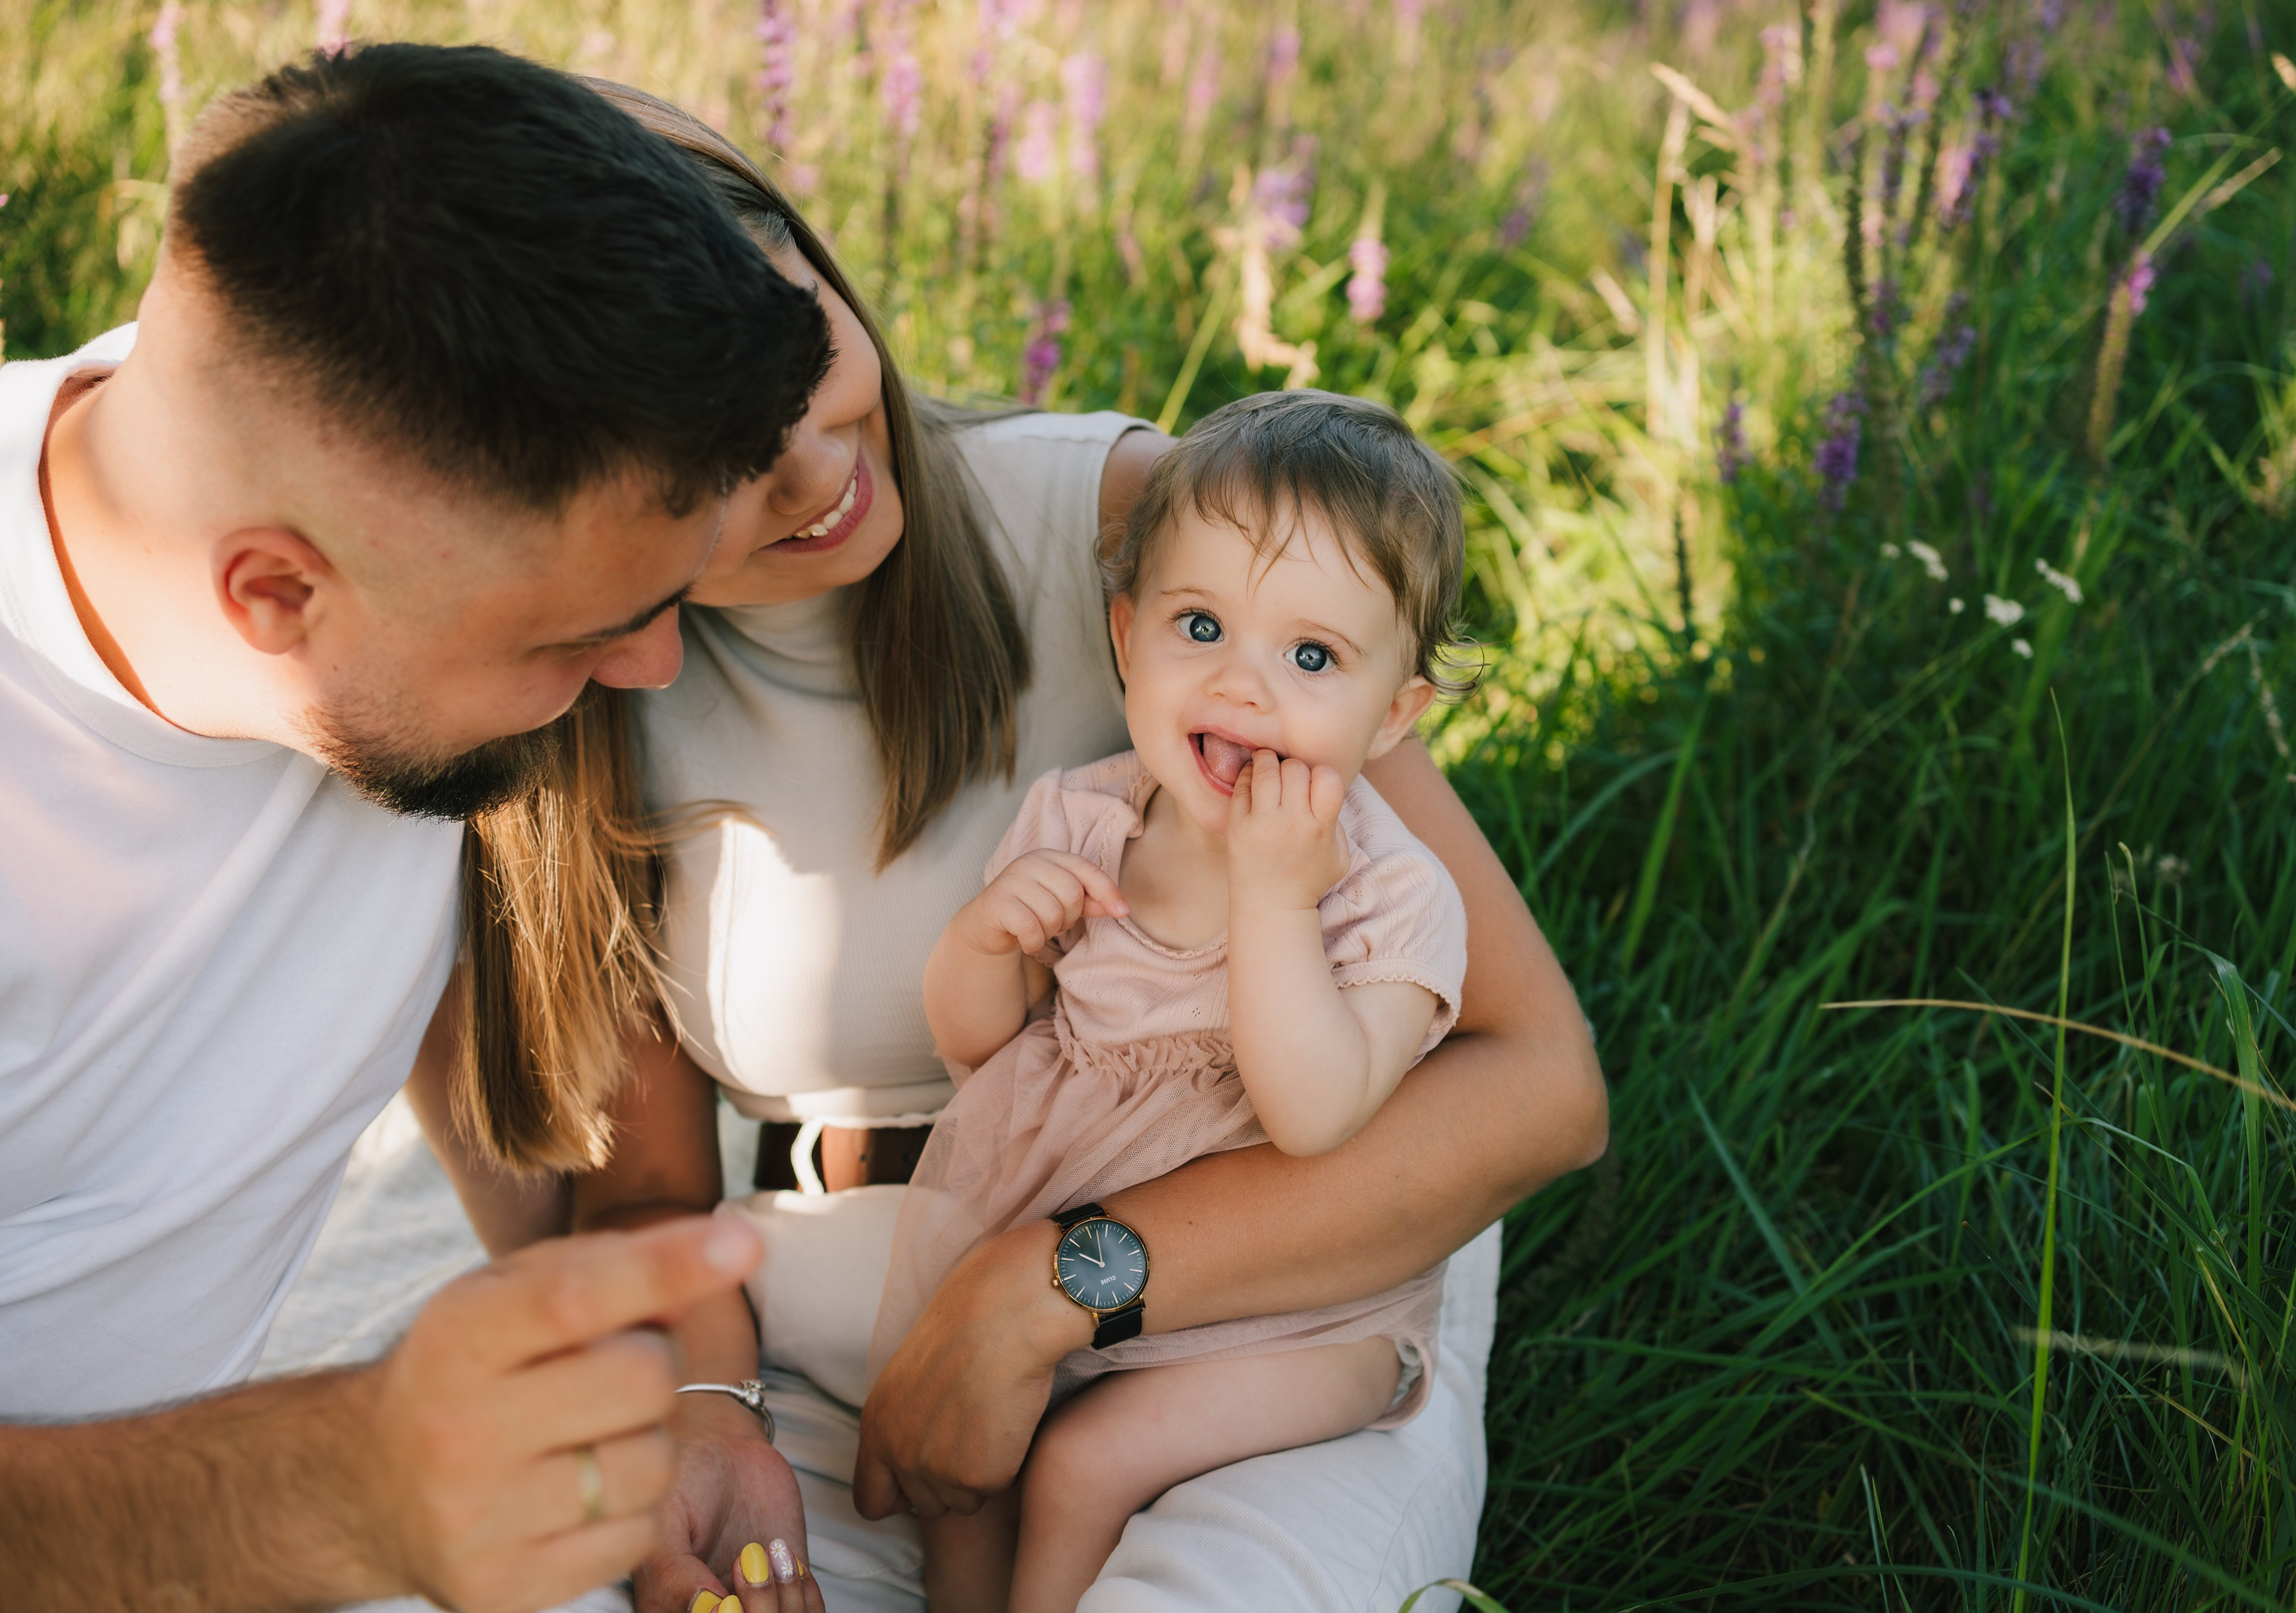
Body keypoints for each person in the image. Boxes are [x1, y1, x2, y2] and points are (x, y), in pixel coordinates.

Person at [413, 90, 1606, 1613]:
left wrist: (1043, 1290)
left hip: (1253, 1312)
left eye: (803, 351)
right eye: (702, 463)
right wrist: (710, 1419)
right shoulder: (588, 705)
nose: (806, 467)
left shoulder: (1154, 536)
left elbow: (1537, 1084)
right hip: (829, 1327)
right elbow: (644, 1199)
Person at [0, 44, 835, 1611]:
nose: (650, 670)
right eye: (576, 640)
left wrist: (678, 1404)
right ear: (273, 596)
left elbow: (553, 1123)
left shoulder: (346, 439)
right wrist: (335, 1488)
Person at [895, 391, 1478, 1611]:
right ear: (1125, 637)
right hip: (1067, 1265)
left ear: (1394, 716)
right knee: (965, 1470)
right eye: (1199, 624)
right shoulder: (1082, 820)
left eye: (1311, 657)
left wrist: (1274, 903)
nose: (1242, 684)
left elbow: (1312, 1113)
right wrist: (984, 944)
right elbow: (985, 1054)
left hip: (1302, 1315)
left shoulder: (1387, 898)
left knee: (1083, 1461)